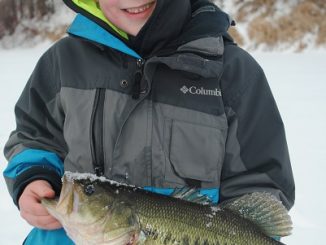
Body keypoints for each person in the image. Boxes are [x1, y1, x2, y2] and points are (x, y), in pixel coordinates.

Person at [3, 0, 295, 244]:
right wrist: (34, 177)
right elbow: (33, 135)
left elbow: (259, 182)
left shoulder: (231, 74)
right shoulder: (63, 63)